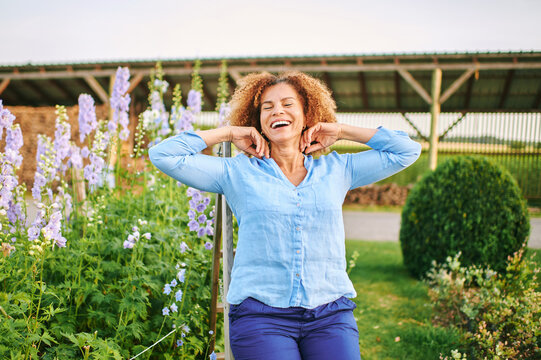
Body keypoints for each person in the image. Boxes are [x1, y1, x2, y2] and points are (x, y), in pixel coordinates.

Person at [149, 71, 421, 360]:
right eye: (267, 107)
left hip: (330, 315)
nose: (277, 110)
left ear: (308, 114)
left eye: (288, 104)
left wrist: (339, 131)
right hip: (261, 318)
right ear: (258, 122)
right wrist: (229, 132)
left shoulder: (338, 170)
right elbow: (164, 155)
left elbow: (406, 150)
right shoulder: (236, 172)